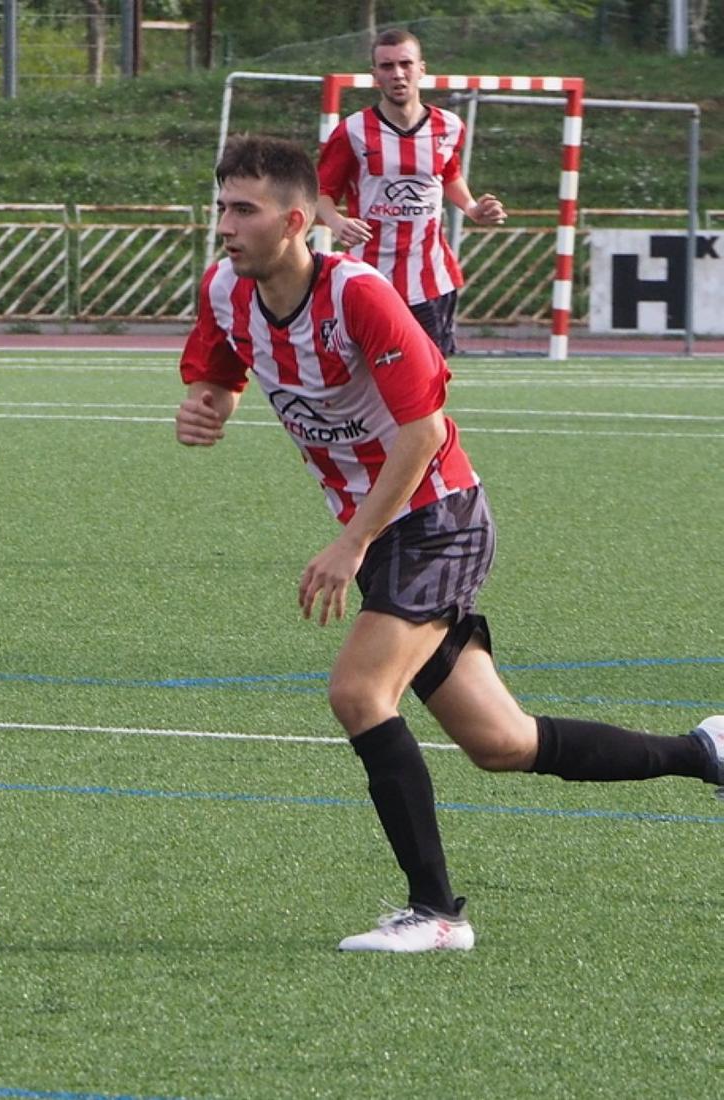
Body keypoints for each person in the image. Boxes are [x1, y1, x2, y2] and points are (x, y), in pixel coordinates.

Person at [175, 134, 723, 953]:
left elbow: (424, 432)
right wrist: (207, 404)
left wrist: (353, 544)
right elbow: (218, 371)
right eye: (221, 206)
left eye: (243, 210)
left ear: (295, 221)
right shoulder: (226, 290)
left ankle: (435, 914)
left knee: (358, 695)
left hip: (436, 519)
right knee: (503, 743)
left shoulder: (359, 294)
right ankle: (705, 752)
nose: (225, 224)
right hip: (392, 531)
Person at [316, 28, 507, 356]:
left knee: (430, 379)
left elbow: (448, 174)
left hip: (430, 279)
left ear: (422, 69)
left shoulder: (448, 126)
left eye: (405, 64)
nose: (398, 73)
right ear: (374, 75)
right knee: (365, 378)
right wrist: (335, 222)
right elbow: (318, 193)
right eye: (387, 66)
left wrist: (473, 208)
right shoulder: (352, 132)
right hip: (367, 278)